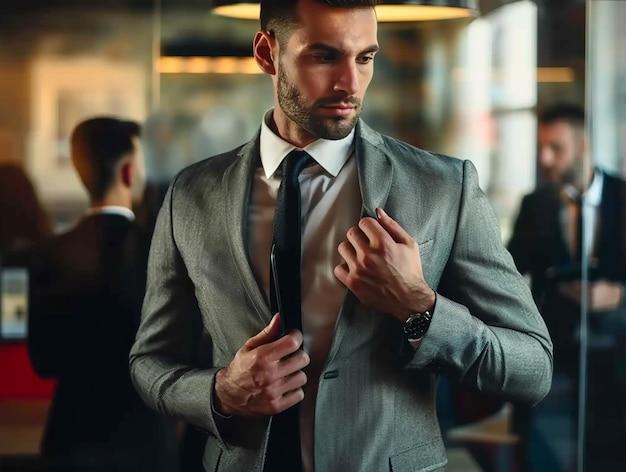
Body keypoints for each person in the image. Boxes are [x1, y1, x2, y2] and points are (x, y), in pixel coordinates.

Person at [129, 1, 553, 471]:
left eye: (365, 58)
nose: (350, 84)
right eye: (324, 56)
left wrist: (418, 307)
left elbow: (532, 368)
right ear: (267, 53)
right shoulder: (191, 194)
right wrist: (222, 392)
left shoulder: (442, 189)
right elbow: (149, 363)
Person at [27, 117, 180, 472]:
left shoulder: (45, 255)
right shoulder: (161, 251)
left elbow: (42, 361)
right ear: (128, 172)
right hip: (146, 442)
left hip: (70, 439)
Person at [507, 103, 626, 470]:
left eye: (556, 148)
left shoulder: (623, 199)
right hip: (554, 355)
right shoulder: (536, 204)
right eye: (542, 147)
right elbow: (510, 270)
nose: (545, 158)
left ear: (583, 146)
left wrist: (620, 295)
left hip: (615, 357)